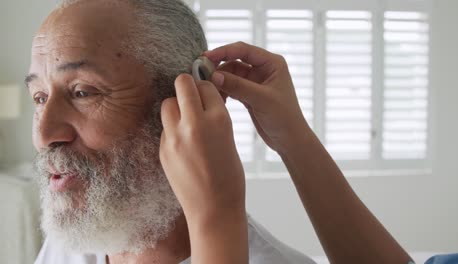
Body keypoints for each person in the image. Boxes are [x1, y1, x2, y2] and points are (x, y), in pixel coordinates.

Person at [29, 0, 314, 263]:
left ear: (191, 99)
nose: (44, 135)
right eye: (39, 97)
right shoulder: (69, 245)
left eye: (82, 92)